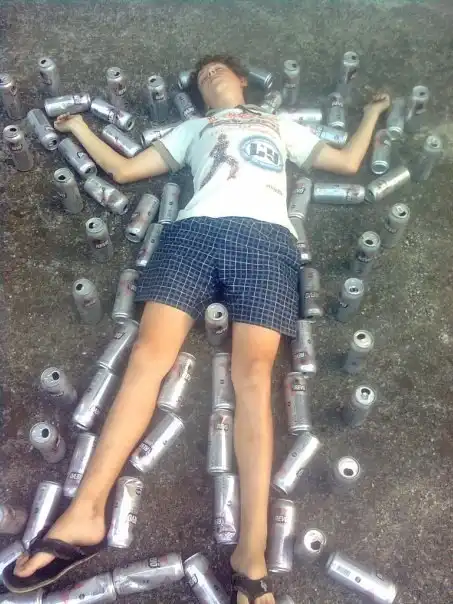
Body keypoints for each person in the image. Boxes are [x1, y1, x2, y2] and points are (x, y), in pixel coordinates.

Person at [5, 55, 390, 604]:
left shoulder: (277, 124)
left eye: (219, 69)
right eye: (202, 74)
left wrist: (373, 113)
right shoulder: (192, 129)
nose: (209, 75)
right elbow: (125, 171)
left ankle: (251, 551)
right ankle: (86, 513)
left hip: (266, 240)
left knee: (253, 379)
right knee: (146, 359)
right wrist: (79, 128)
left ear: (242, 80)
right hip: (191, 235)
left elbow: (348, 162)